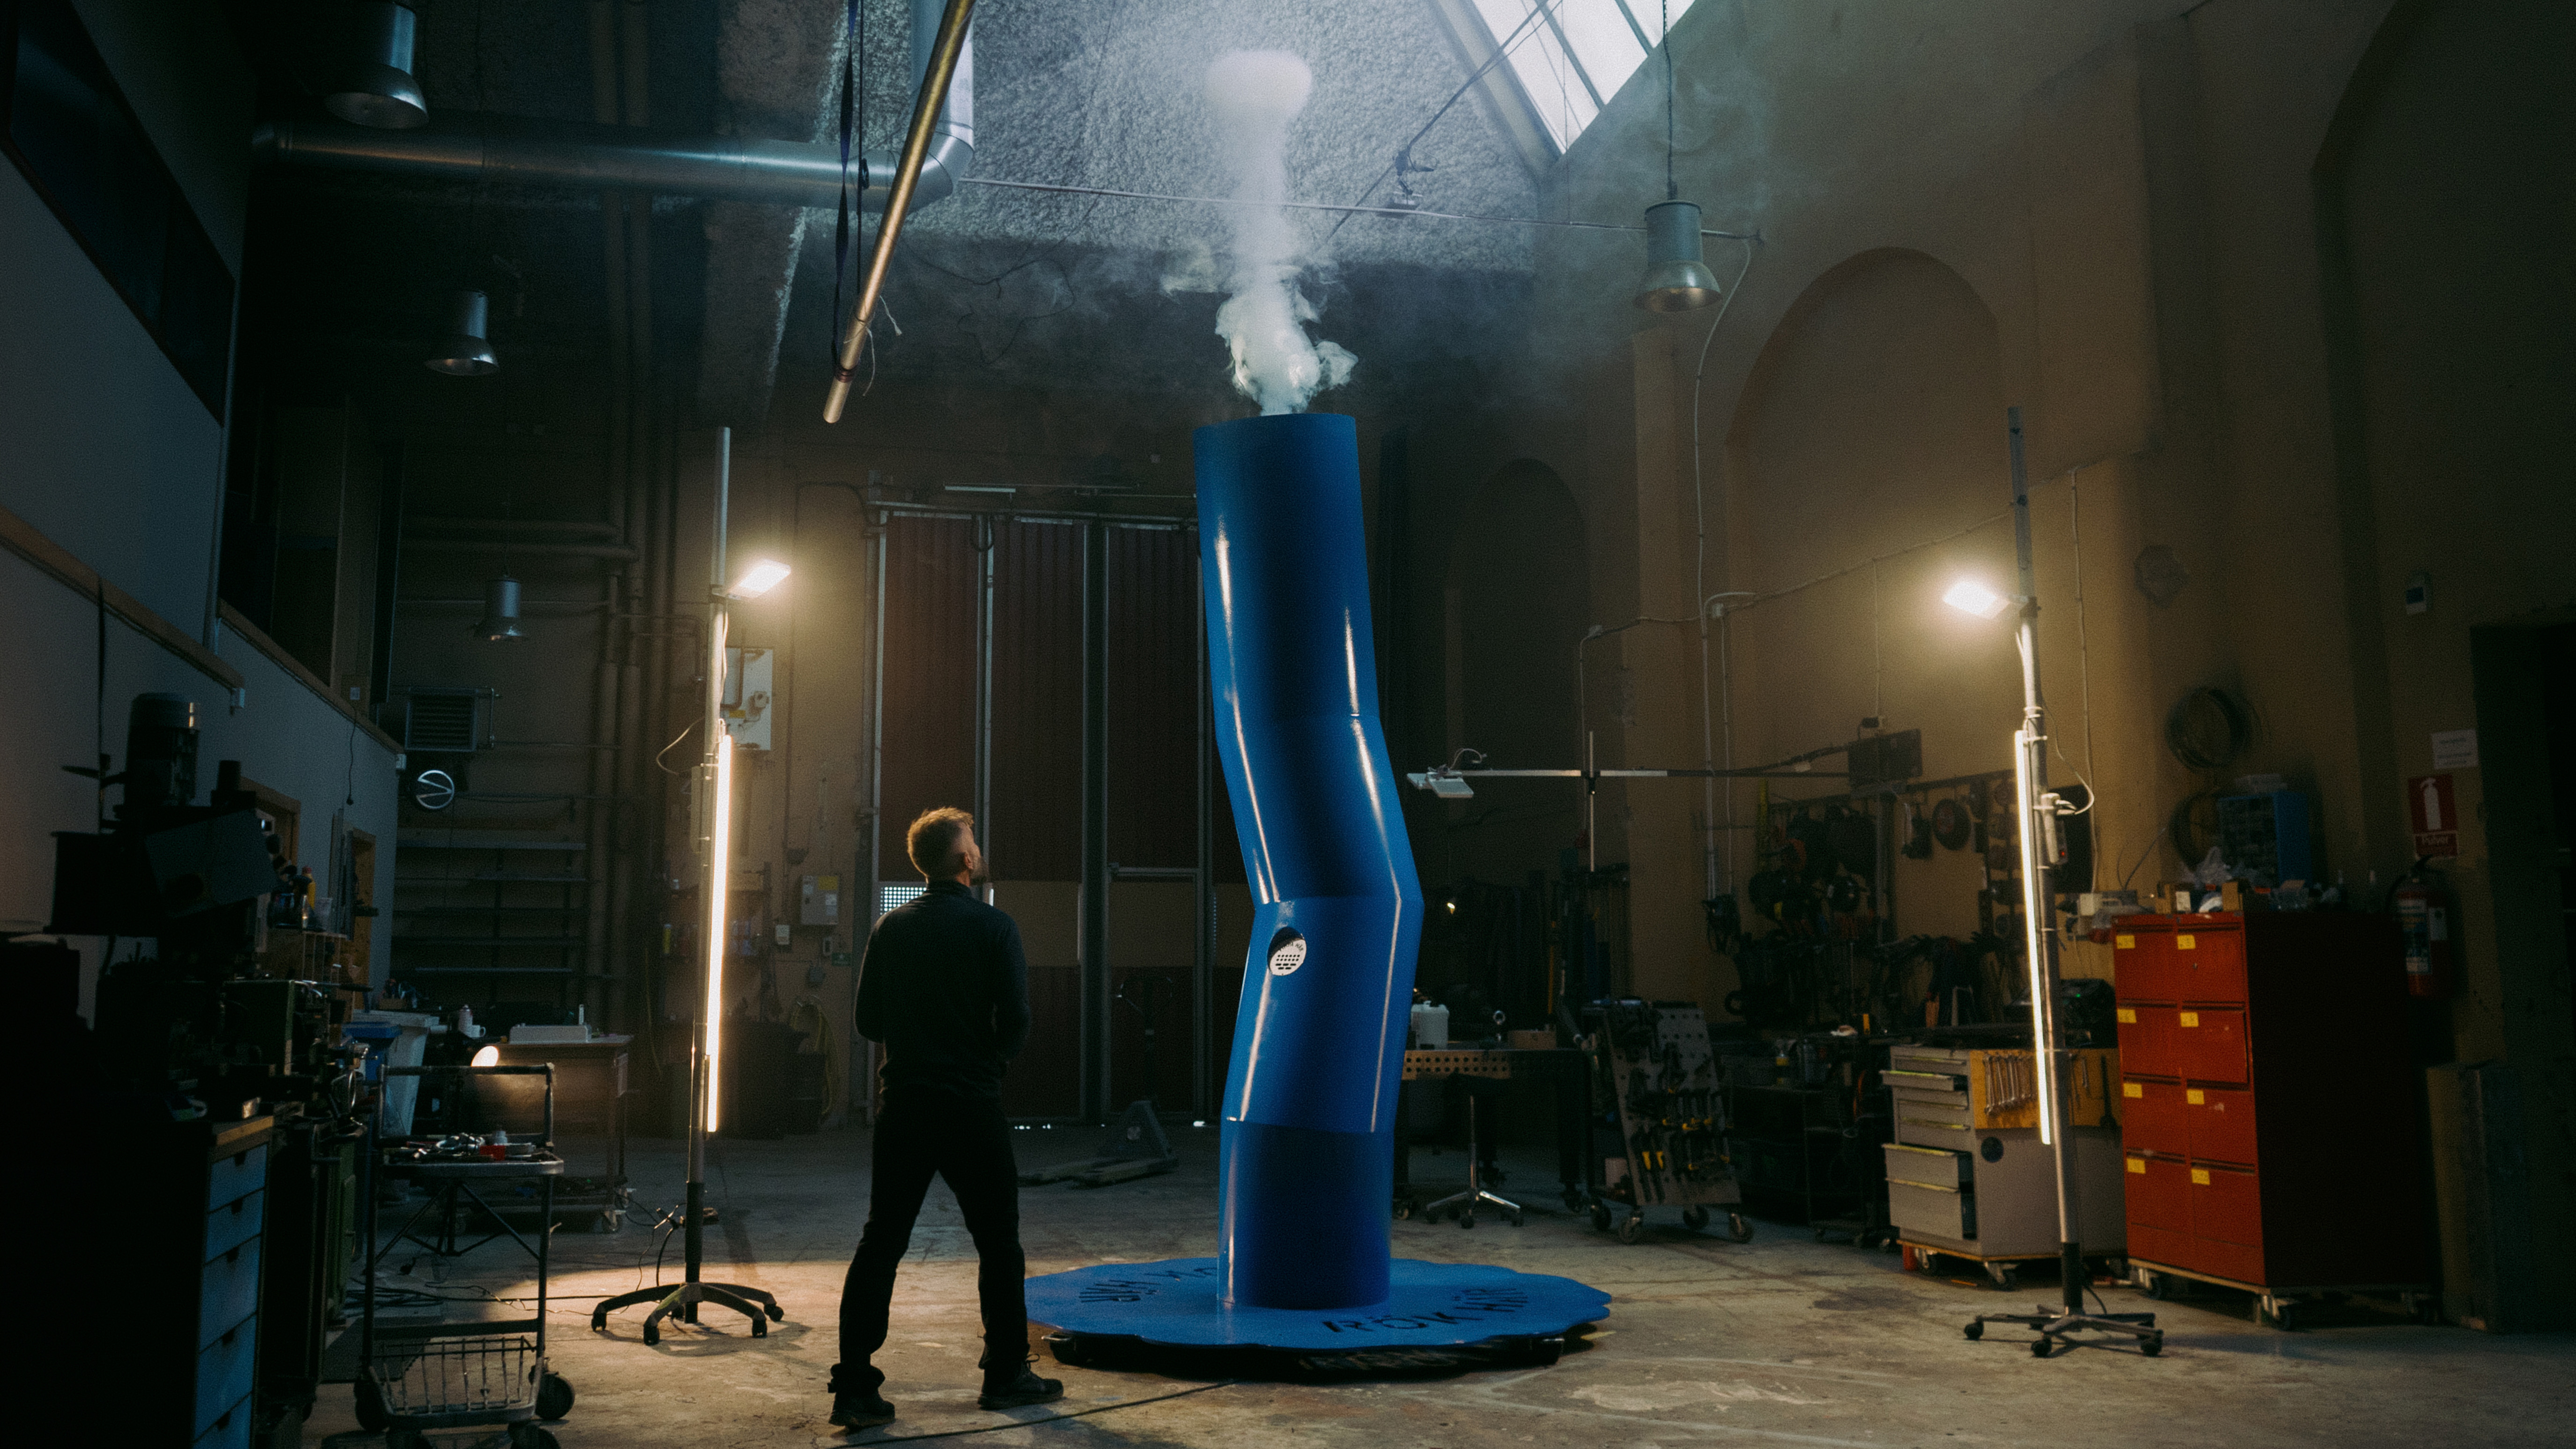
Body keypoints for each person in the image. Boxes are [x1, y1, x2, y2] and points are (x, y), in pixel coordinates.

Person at [830, 807, 1063, 1429]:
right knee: (998, 1245)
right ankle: (1006, 1375)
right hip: (970, 1107)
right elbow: (1015, 1021)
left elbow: (868, 1024)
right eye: (973, 842)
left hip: (905, 1105)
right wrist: (986, 1060)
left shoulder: (891, 929)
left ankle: (854, 1388)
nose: (977, 848)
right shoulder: (994, 927)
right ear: (964, 860)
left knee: (881, 1242)